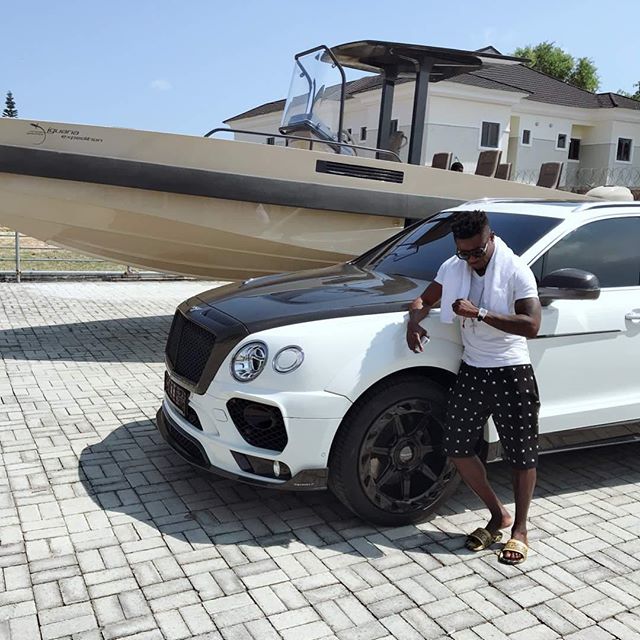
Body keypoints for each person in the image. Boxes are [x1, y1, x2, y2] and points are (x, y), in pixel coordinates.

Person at [406, 210, 541, 565]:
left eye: (476, 252)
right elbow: (424, 299)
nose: (470, 259)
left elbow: (531, 324)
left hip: (511, 371)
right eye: (463, 252)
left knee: (521, 455)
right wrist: (414, 319)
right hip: (473, 371)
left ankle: (521, 529)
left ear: (490, 238)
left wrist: (479, 313)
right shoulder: (453, 268)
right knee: (457, 447)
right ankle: (498, 515)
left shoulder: (515, 270)